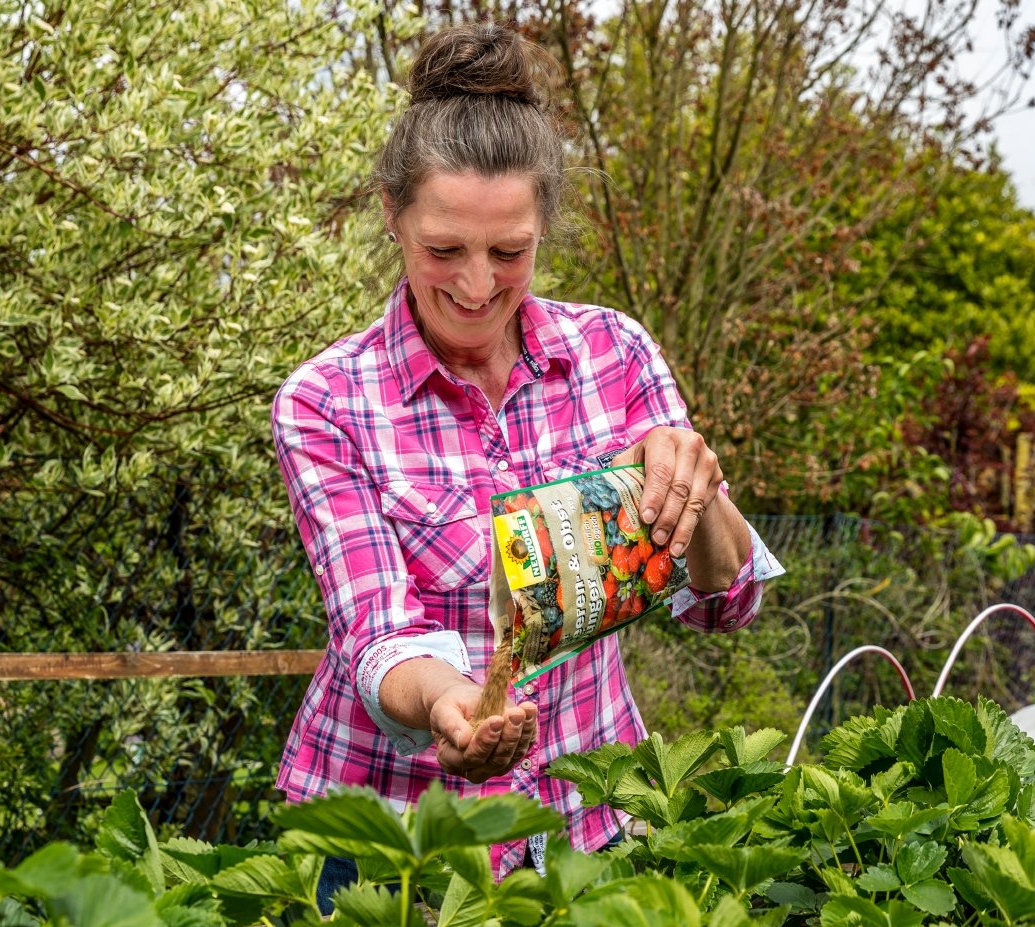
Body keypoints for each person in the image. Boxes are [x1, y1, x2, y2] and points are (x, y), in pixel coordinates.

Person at [270, 22, 785, 905]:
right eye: (444, 250)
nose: (476, 284)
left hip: (586, 824)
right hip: (392, 844)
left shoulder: (614, 353)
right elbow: (378, 630)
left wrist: (698, 489)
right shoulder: (325, 403)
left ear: (543, 225)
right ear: (393, 214)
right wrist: (449, 705)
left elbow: (724, 601)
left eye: (509, 251)